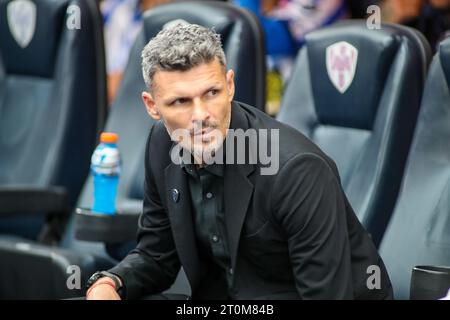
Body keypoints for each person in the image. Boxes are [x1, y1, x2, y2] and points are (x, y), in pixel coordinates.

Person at [85, 23, 393, 300]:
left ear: (230, 86)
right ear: (152, 106)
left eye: (212, 93)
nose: (201, 115)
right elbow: (156, 256)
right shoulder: (162, 143)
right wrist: (111, 283)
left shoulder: (296, 170)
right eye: (180, 101)